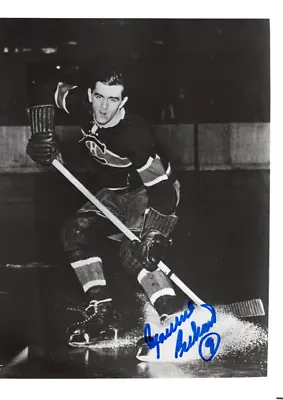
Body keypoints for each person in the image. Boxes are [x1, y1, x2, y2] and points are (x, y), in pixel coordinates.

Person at [26, 65, 183, 359]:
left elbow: (161, 190)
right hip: (113, 193)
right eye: (99, 97)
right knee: (74, 231)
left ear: (123, 102)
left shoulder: (135, 135)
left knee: (134, 251)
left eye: (113, 100)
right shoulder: (83, 105)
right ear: (90, 94)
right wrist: (42, 132)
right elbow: (43, 87)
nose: (103, 107)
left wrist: (154, 233)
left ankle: (170, 318)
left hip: (150, 193)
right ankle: (103, 313)